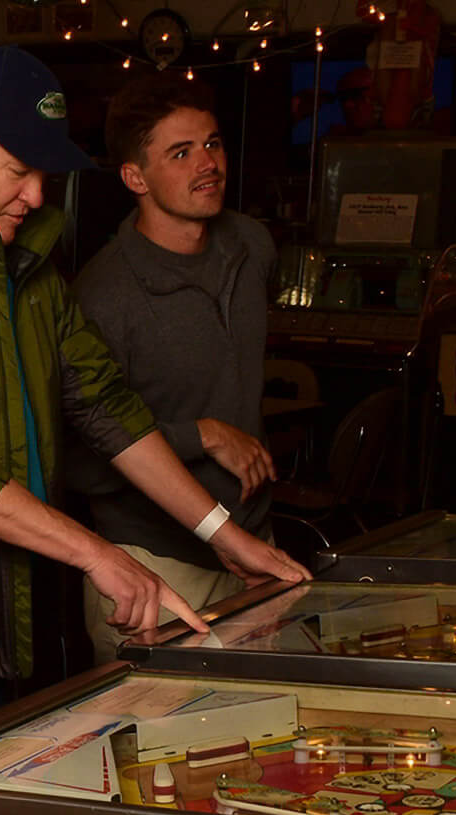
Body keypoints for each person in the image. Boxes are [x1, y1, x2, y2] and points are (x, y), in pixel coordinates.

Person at [0, 45, 307, 766]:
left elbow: (106, 405)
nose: (36, 196)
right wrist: (97, 553)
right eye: (18, 170)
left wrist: (227, 536)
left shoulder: (23, 260)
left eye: (43, 173)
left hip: (5, 611)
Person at [70, 74, 279, 664]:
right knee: (160, 750)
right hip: (155, 568)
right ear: (135, 177)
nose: (206, 164)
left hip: (256, 547)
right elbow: (79, 456)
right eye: (180, 153)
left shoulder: (253, 246)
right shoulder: (103, 295)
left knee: (268, 744)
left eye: (212, 144)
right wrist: (201, 434)